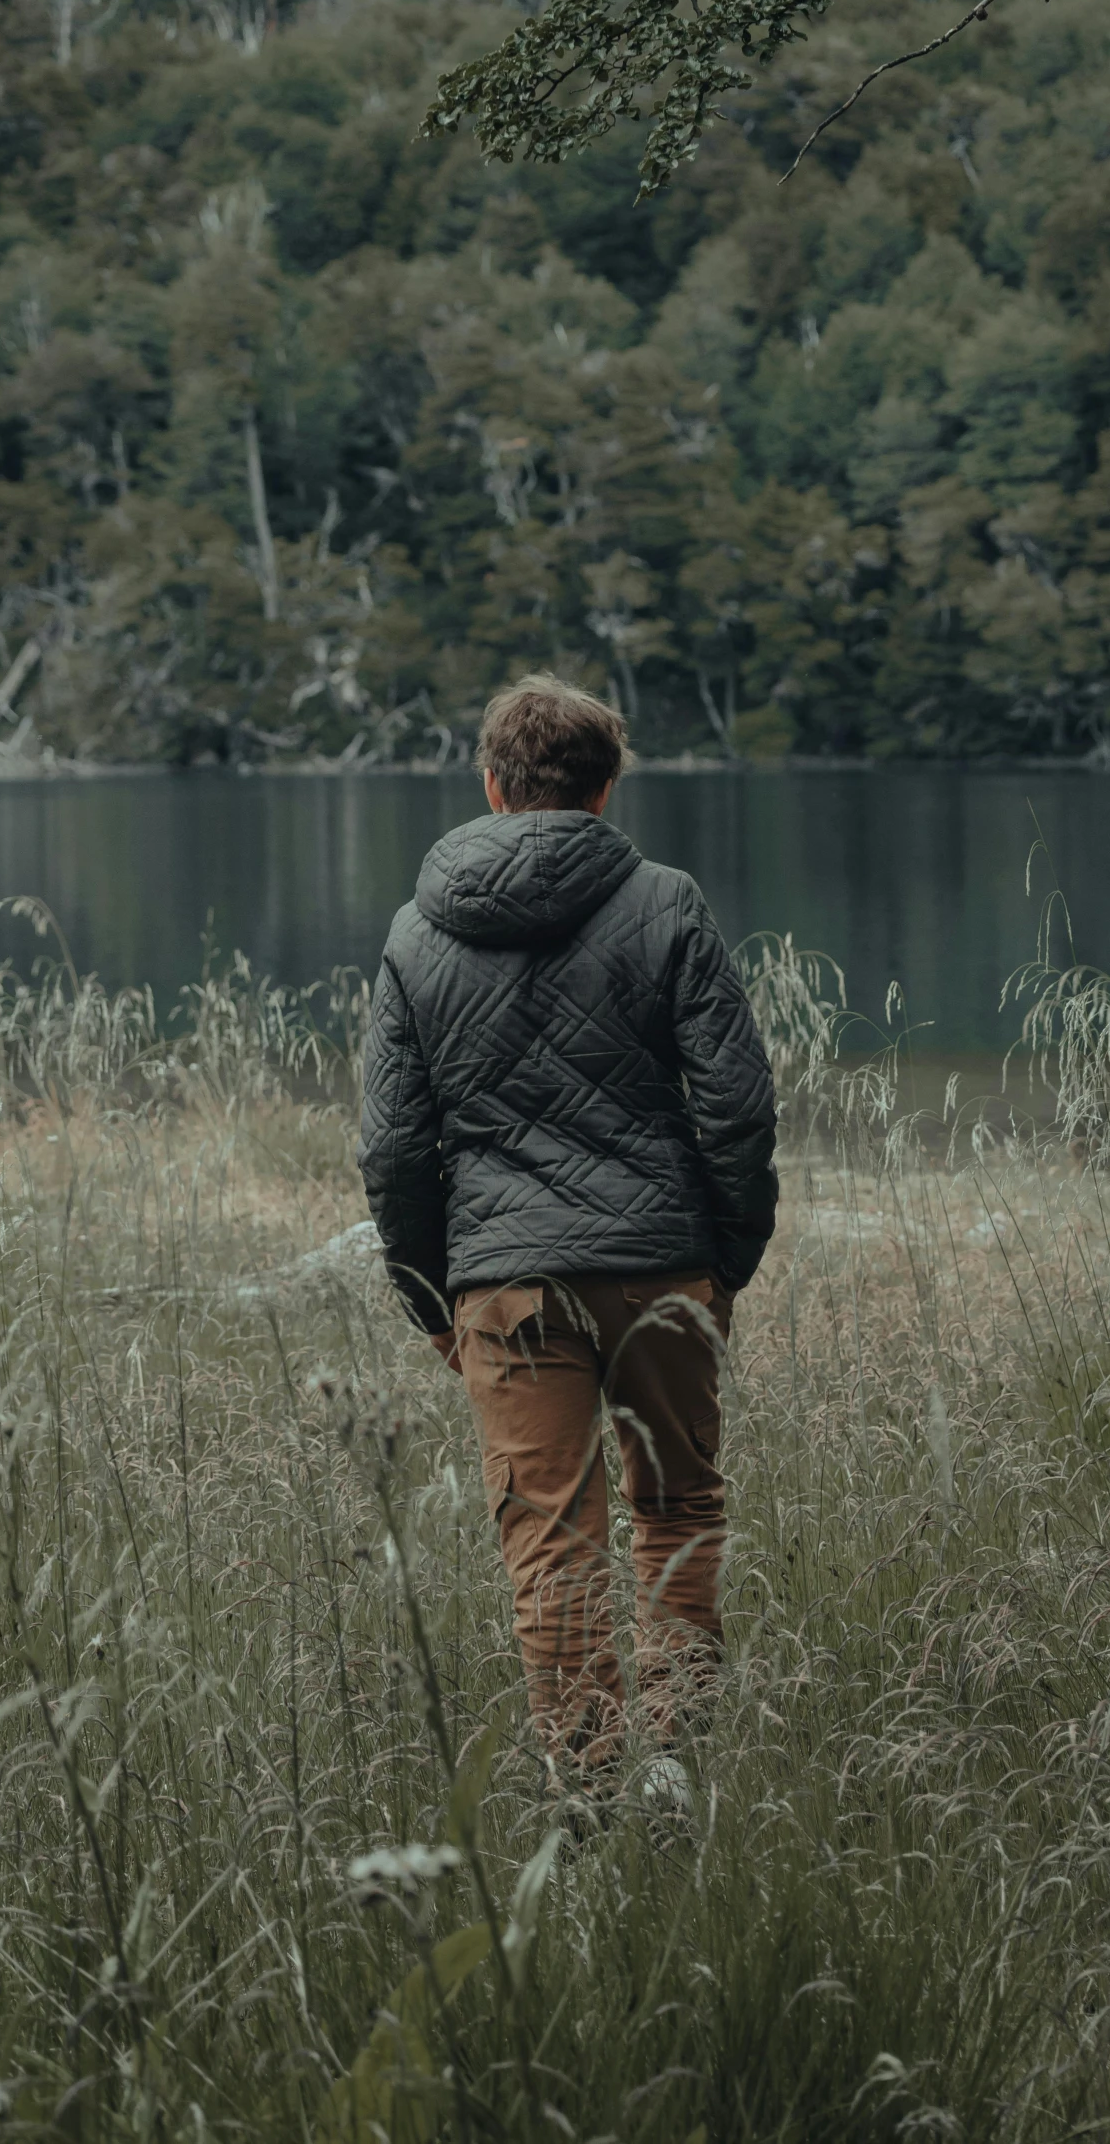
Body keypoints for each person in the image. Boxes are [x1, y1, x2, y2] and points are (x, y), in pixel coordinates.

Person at [357, 674, 777, 1806]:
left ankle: (587, 1786)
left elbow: (393, 1149)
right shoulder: (667, 900)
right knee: (676, 1507)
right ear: (604, 790)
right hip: (661, 1267)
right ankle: (678, 1766)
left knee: (550, 1545)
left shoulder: (415, 932)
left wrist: (430, 1301)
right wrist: (724, 1256)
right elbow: (735, 1106)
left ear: (492, 785)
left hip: (504, 1284)